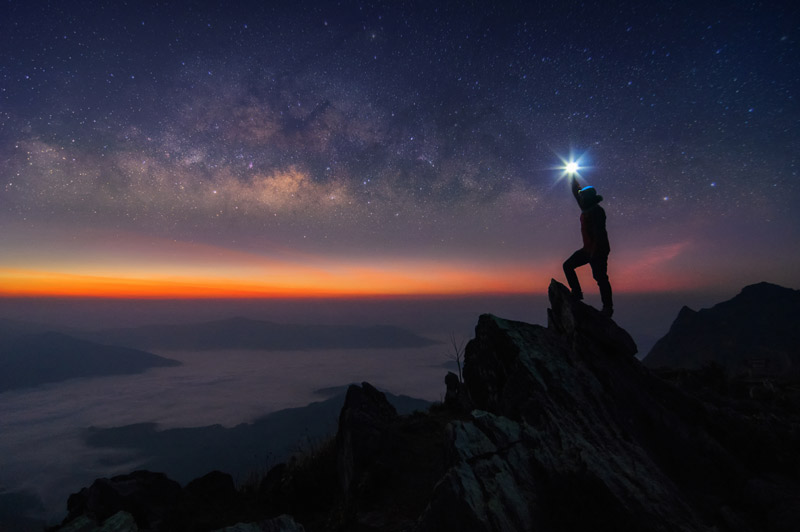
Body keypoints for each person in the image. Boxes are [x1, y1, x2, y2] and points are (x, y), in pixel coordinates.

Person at [563, 174, 613, 317]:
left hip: (599, 250)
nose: (581, 198)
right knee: (568, 265)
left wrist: (594, 253)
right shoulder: (585, 207)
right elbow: (576, 192)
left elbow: (599, 233)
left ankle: (608, 308)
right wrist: (573, 178)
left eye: (584, 196)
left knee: (600, 277)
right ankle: (577, 293)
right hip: (587, 249)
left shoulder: (597, 211)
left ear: (589, 198)